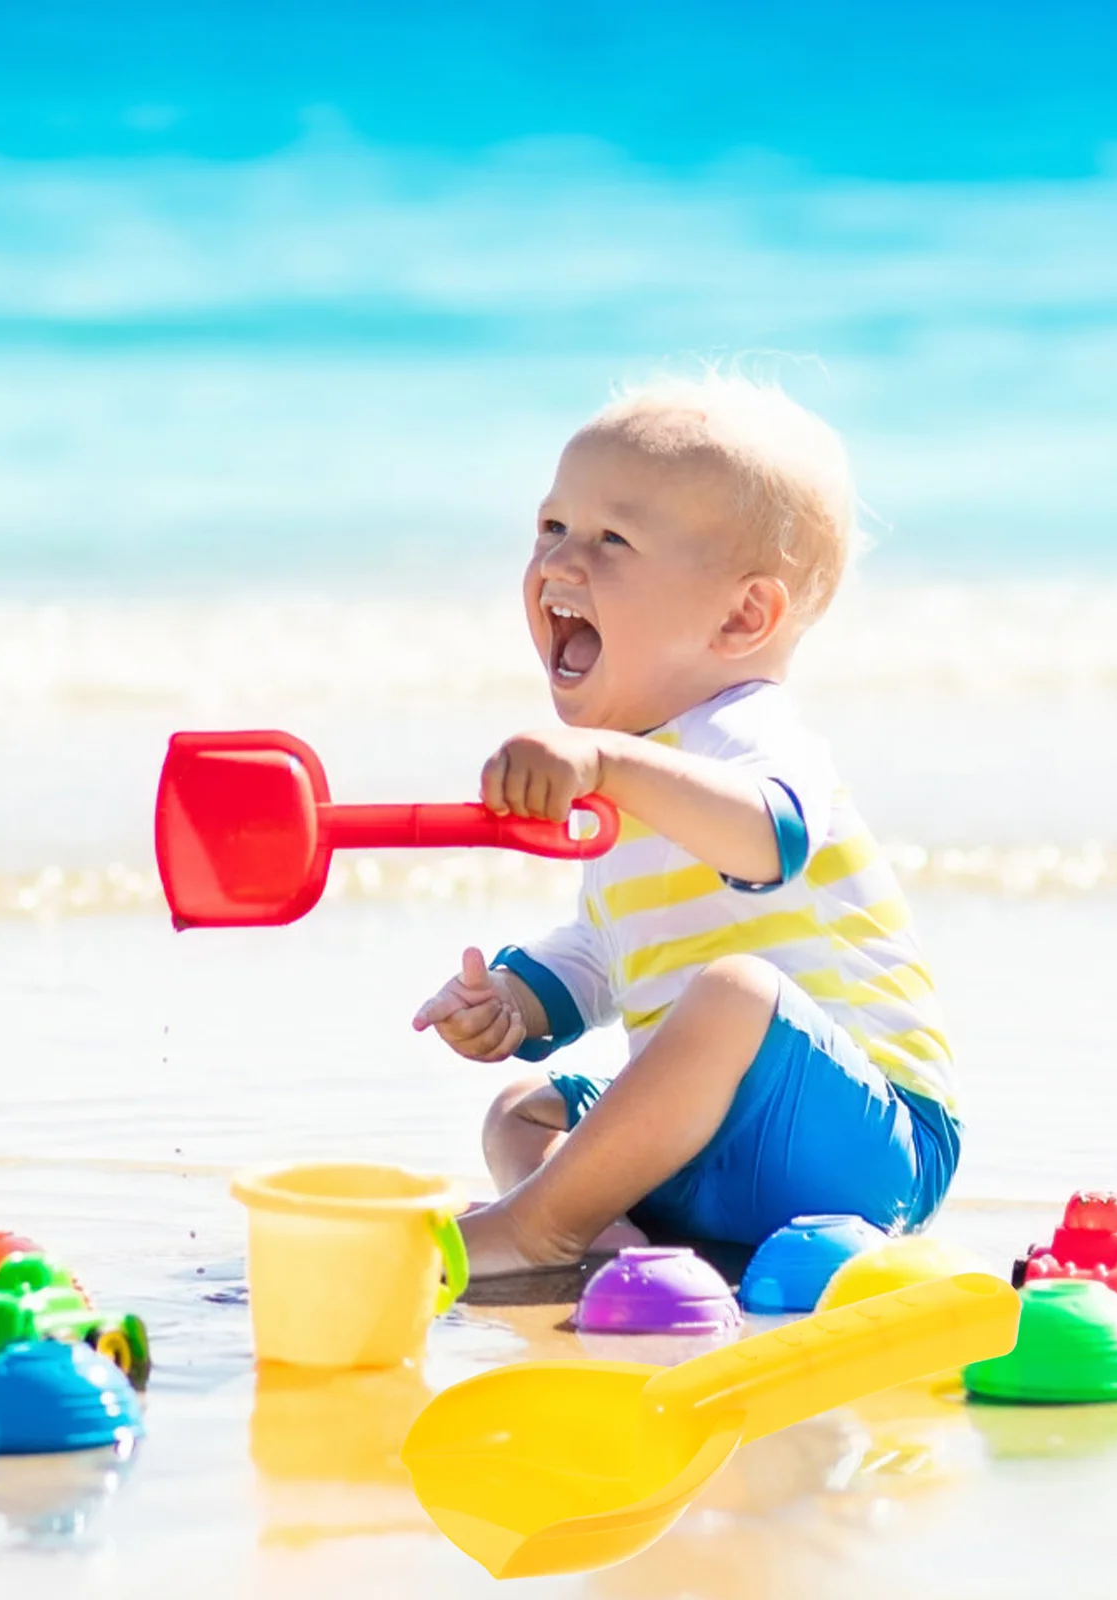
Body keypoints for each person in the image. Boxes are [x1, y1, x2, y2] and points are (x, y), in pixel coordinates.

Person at [412, 373, 961, 1277]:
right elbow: (608, 947)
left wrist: (610, 765)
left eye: (612, 539)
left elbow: (768, 839)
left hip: (873, 1142)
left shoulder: (748, 732)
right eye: (551, 527)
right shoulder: (640, 766)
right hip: (717, 1146)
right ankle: (603, 1233)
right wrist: (516, 1002)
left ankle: (536, 1228)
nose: (558, 562)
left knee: (735, 992)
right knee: (523, 1109)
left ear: (743, 616)